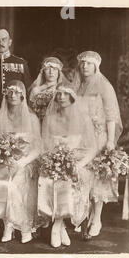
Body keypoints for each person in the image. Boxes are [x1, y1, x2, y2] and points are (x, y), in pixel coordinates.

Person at [0, 80, 41, 244]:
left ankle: (23, 226)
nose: (13, 95)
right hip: (3, 161)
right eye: (10, 92)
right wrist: (0, 156)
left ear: (23, 96)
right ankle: (7, 224)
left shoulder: (31, 118)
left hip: (24, 162)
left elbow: (37, 148)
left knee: (16, 181)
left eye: (17, 92)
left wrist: (22, 162)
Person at [37, 83, 97, 248]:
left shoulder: (83, 119)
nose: (61, 97)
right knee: (49, 179)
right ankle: (59, 225)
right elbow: (44, 145)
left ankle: (56, 226)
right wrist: (52, 162)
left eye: (65, 94)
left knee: (68, 181)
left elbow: (92, 148)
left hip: (77, 163)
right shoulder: (49, 119)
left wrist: (78, 165)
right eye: (59, 94)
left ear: (72, 97)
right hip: (54, 161)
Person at [75, 51, 123, 238]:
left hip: (98, 136)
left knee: (97, 178)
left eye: (89, 63)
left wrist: (110, 140)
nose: (85, 66)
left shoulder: (104, 85)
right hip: (81, 137)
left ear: (96, 66)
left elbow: (111, 115)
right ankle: (83, 214)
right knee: (83, 175)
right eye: (82, 63)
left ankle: (97, 219)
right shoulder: (79, 86)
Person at [28, 57, 66, 121]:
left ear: (59, 72)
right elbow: (30, 112)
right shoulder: (36, 90)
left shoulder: (64, 90)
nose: (51, 72)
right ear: (43, 72)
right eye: (47, 69)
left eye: (54, 69)